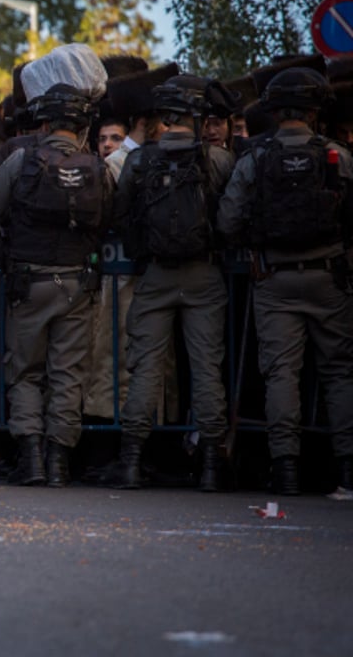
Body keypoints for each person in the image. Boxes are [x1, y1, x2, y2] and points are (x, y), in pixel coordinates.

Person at [0, 44, 113, 487]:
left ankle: (31, 459)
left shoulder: (22, 160)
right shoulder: (97, 166)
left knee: (24, 371)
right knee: (68, 373)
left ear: (42, 121)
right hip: (79, 284)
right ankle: (59, 462)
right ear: (82, 124)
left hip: (28, 282)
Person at [218, 67, 353, 495]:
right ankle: (348, 469)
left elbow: (227, 220)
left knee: (281, 374)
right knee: (339, 373)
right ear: (315, 112)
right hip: (329, 277)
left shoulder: (255, 158)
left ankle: (286, 469)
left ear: (274, 112)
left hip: (273, 278)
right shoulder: (337, 155)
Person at [112, 75, 237, 491]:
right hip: (205, 274)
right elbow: (230, 214)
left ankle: (130, 463)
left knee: (144, 367)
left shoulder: (140, 160)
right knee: (206, 369)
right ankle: (210, 469)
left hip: (156, 274)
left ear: (161, 117)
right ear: (195, 115)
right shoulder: (214, 158)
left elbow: (121, 211)